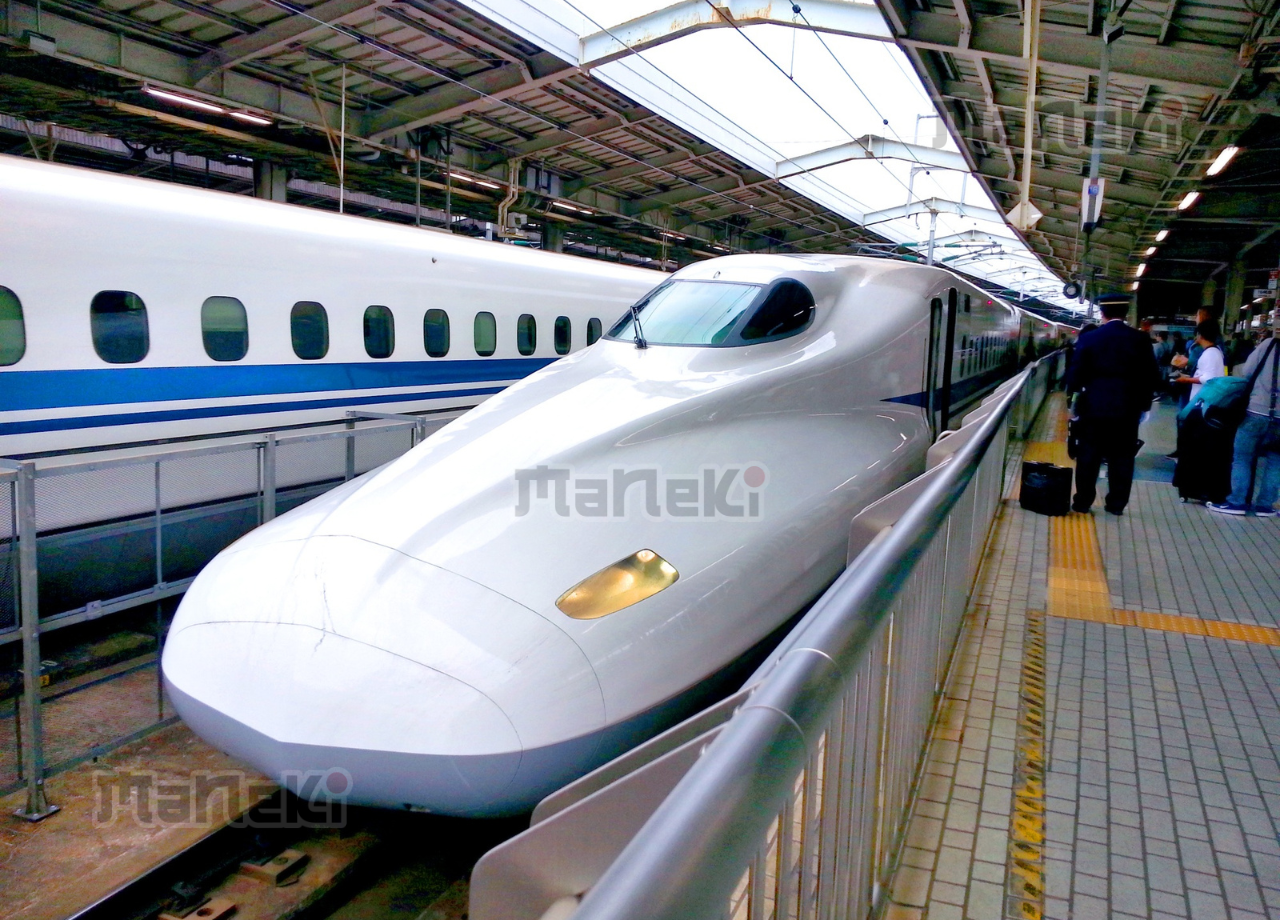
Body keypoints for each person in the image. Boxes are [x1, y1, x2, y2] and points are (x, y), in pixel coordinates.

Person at [1069, 295, 1161, 515]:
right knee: (1122, 456)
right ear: (1126, 313)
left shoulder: (1090, 338)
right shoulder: (1140, 339)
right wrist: (1144, 405)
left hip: (1093, 406)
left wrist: (1073, 401)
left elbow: (1075, 374)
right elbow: (1151, 375)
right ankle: (1116, 505)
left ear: (1102, 313)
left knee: (1088, 454)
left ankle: (1083, 502)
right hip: (1128, 408)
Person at [1207, 324, 1280, 517]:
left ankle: (1237, 502)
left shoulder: (1270, 345)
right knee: (1276, 461)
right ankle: (1265, 506)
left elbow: (1247, 371)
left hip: (1256, 410)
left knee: (1242, 457)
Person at [1171, 319, 1225, 403]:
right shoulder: (1214, 351)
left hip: (1203, 401)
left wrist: (1186, 380)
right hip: (1205, 399)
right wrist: (1187, 377)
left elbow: (1208, 378)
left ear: (1200, 335)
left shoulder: (1210, 353)